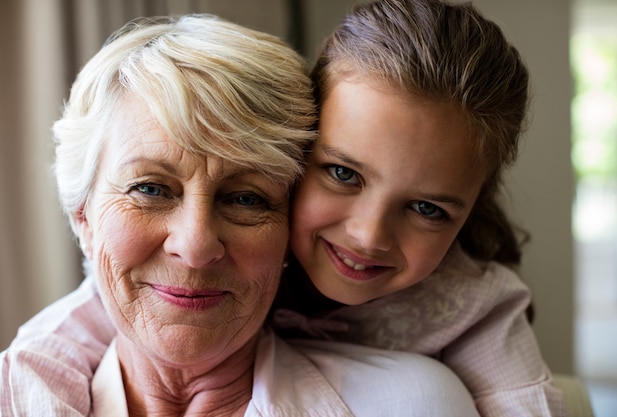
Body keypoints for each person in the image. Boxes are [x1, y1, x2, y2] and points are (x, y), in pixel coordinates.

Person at [0, 13, 482, 417]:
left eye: (246, 199)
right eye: (150, 189)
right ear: (83, 215)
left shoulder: (409, 403)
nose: (195, 246)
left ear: (289, 226)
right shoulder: (24, 391)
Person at [270, 0, 567, 415]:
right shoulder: (229, 254)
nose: (369, 235)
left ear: (472, 209)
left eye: (427, 209)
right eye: (342, 174)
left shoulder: (474, 307)